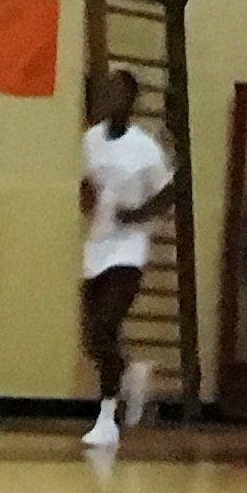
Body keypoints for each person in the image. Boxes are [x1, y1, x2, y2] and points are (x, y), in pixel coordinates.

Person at [76, 70, 176, 451]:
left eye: (119, 93)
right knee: (92, 339)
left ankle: (106, 420)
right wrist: (87, 197)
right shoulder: (91, 140)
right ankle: (132, 372)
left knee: (104, 326)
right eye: (108, 91)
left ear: (132, 101)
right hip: (97, 246)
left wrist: (137, 215)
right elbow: (87, 188)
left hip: (129, 250)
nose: (111, 98)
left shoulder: (145, 149)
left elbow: (168, 193)